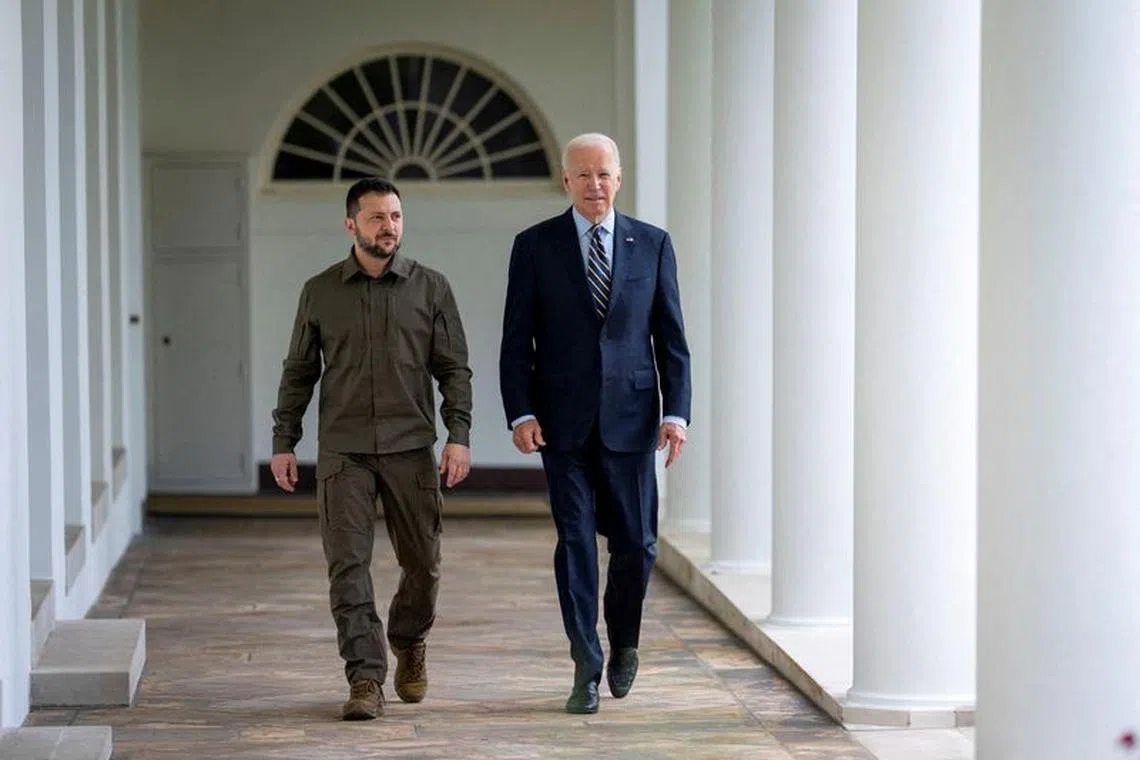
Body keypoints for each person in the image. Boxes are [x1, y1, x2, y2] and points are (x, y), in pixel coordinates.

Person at [498, 133, 692, 714]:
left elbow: (671, 339)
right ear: (566, 181)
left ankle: (624, 641)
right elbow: (516, 340)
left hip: (633, 421)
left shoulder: (652, 244)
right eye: (582, 174)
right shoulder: (534, 246)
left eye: (604, 173)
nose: (594, 184)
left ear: (619, 178)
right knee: (576, 541)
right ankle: (585, 659)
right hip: (562, 425)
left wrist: (676, 413)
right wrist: (521, 411)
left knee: (638, 545)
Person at [270, 177, 473, 721]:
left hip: (411, 447)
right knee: (348, 566)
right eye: (377, 217)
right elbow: (298, 371)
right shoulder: (320, 291)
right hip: (345, 450)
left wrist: (458, 435)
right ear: (351, 224)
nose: (389, 227)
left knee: (424, 563)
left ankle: (409, 638)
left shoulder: (431, 288)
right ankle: (364, 677)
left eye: (396, 216)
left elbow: (454, 369)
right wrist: (284, 441)